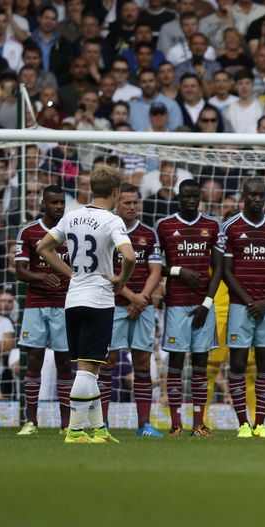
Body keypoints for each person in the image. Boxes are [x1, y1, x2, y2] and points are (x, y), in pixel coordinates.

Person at [37, 165, 135, 444]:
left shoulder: (72, 216)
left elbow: (43, 247)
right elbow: (129, 256)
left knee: (89, 368)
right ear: (115, 192)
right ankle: (76, 430)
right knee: (87, 368)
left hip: (73, 300)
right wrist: (120, 280)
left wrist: (70, 274)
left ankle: (99, 429)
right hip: (99, 300)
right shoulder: (112, 220)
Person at [220, 178, 265, 439]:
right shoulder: (231, 228)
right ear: (244, 196)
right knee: (237, 364)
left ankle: (260, 423)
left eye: (261, 195)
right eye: (253, 195)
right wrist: (249, 301)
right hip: (240, 306)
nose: (258, 199)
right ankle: (242, 424)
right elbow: (226, 271)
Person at [154, 180, 222, 437]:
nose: (191, 201)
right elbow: (153, 266)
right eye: (186, 197)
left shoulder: (212, 225)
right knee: (176, 363)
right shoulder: (164, 225)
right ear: (179, 197)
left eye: (195, 197)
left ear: (201, 197)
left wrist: (207, 302)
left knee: (201, 365)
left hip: (203, 306)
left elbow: (219, 269)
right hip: (176, 305)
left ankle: (198, 423)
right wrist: (178, 270)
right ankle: (175, 423)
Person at [102, 184, 162, 437]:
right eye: (126, 203)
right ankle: (101, 423)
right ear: (117, 203)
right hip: (112, 305)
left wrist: (143, 298)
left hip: (143, 305)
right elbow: (105, 271)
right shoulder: (106, 232)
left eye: (135, 202)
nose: (132, 207)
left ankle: (144, 425)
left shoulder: (148, 234)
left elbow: (156, 270)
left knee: (142, 363)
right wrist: (132, 297)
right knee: (108, 363)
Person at [14, 185, 74, 436]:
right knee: (34, 359)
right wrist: (42, 278)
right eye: (54, 203)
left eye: (61, 202)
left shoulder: (72, 231)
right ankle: (31, 422)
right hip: (36, 305)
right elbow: (19, 270)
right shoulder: (29, 231)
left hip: (64, 304)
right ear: (43, 204)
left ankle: (66, 424)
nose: (58, 206)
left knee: (64, 362)